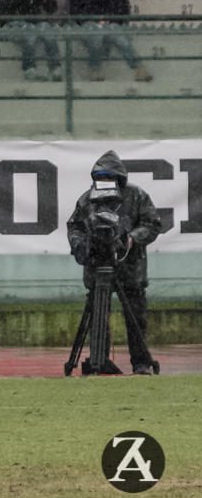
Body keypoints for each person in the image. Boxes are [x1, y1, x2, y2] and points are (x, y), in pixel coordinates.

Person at [66, 150, 162, 375]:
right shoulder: (87, 199)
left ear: (119, 178)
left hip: (131, 269)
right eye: (101, 178)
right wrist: (81, 245)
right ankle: (99, 361)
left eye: (109, 178)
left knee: (136, 320)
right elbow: (75, 227)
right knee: (98, 317)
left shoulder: (137, 196)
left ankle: (140, 363)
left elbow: (153, 224)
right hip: (97, 267)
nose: (105, 183)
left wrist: (131, 238)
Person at [69, 0, 155, 82]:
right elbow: (76, 9)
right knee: (95, 35)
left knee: (120, 37)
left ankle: (139, 68)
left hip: (112, 23)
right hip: (89, 24)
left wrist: (109, 20)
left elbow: (123, 9)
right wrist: (95, 19)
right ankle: (95, 68)